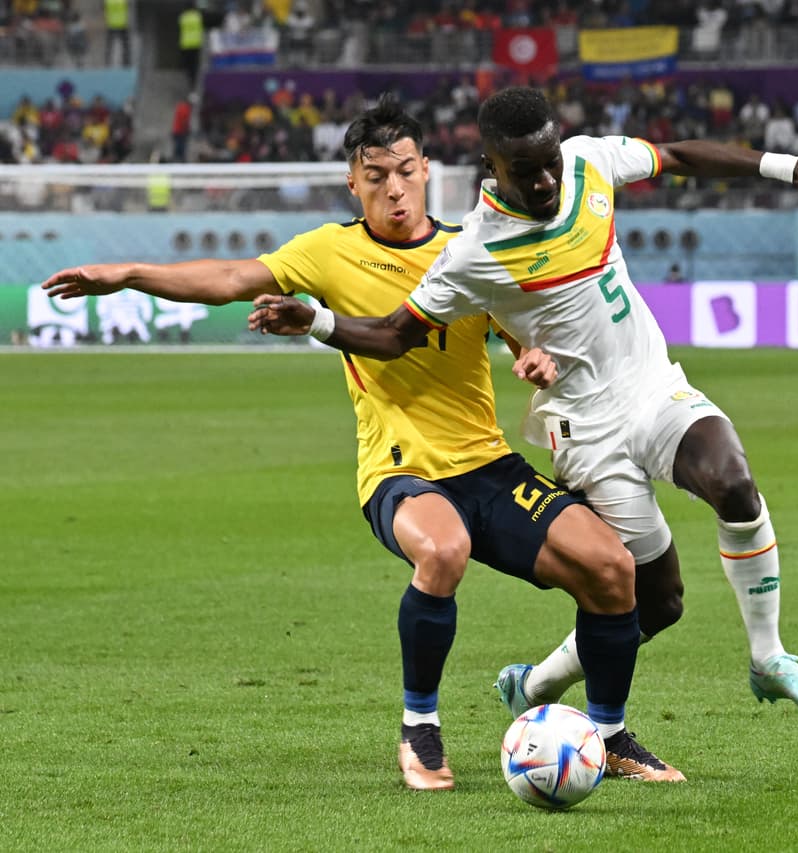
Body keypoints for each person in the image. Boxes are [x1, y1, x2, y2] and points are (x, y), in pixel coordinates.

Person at [41, 95, 682, 790]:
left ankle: (610, 735)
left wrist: (537, 357)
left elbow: (527, 332)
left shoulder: (474, 248)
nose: (394, 188)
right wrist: (124, 274)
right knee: (443, 548)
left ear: (429, 170)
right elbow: (230, 279)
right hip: (401, 473)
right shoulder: (329, 250)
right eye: (375, 176)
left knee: (614, 568)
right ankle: (420, 727)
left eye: (405, 170)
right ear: (354, 183)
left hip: (487, 466)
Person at [248, 86, 798, 722]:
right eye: (527, 169)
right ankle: (536, 686)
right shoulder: (474, 252)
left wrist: (786, 166)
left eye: (551, 158)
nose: (548, 178)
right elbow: (391, 334)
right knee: (658, 604)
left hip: (654, 390)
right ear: (493, 167)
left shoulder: (587, 161)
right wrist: (321, 322)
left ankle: (768, 658)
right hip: (586, 433)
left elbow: (677, 156)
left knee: (733, 481)